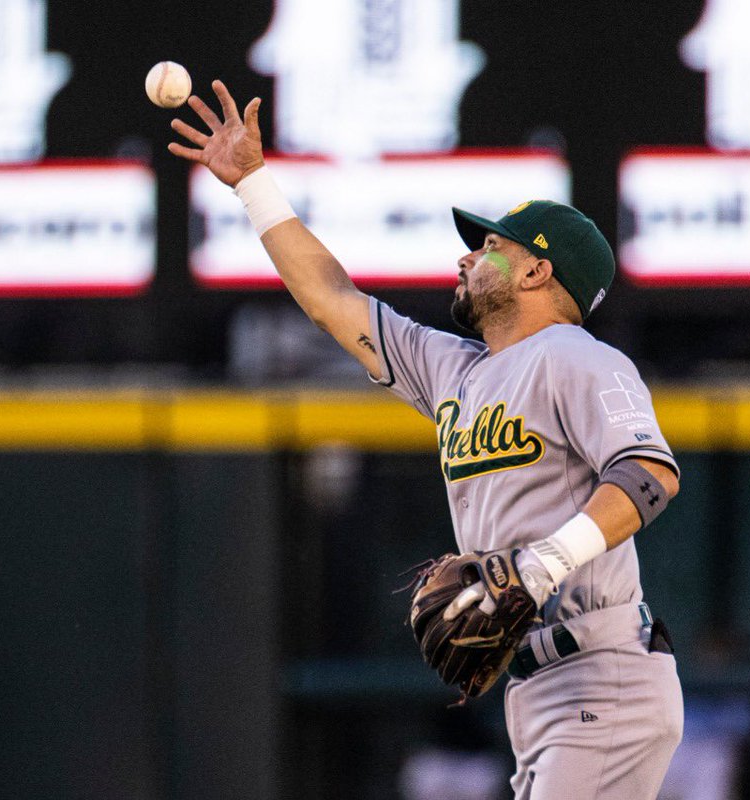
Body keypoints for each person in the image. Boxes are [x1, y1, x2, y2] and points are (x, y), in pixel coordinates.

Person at [168, 80, 684, 798]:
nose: (467, 259)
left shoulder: (579, 356)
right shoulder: (458, 370)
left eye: (491, 247)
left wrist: (540, 566)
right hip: (540, 688)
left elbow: (650, 475)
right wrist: (254, 184)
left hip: (604, 672)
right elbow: (332, 302)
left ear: (538, 270)